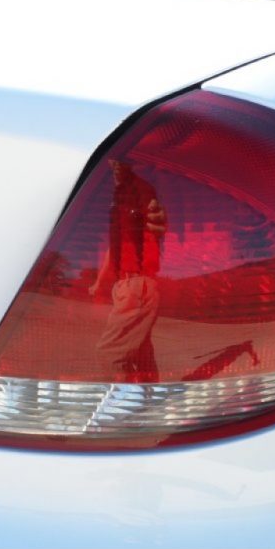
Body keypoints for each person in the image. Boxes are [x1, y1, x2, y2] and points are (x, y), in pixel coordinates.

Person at [89, 159, 166, 382]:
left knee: (109, 353)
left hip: (137, 285)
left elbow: (155, 219)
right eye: (112, 162)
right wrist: (100, 283)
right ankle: (147, 402)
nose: (114, 165)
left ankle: (122, 409)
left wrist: (156, 216)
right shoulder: (120, 198)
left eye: (121, 161)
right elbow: (114, 249)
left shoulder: (140, 191)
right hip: (126, 285)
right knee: (141, 353)